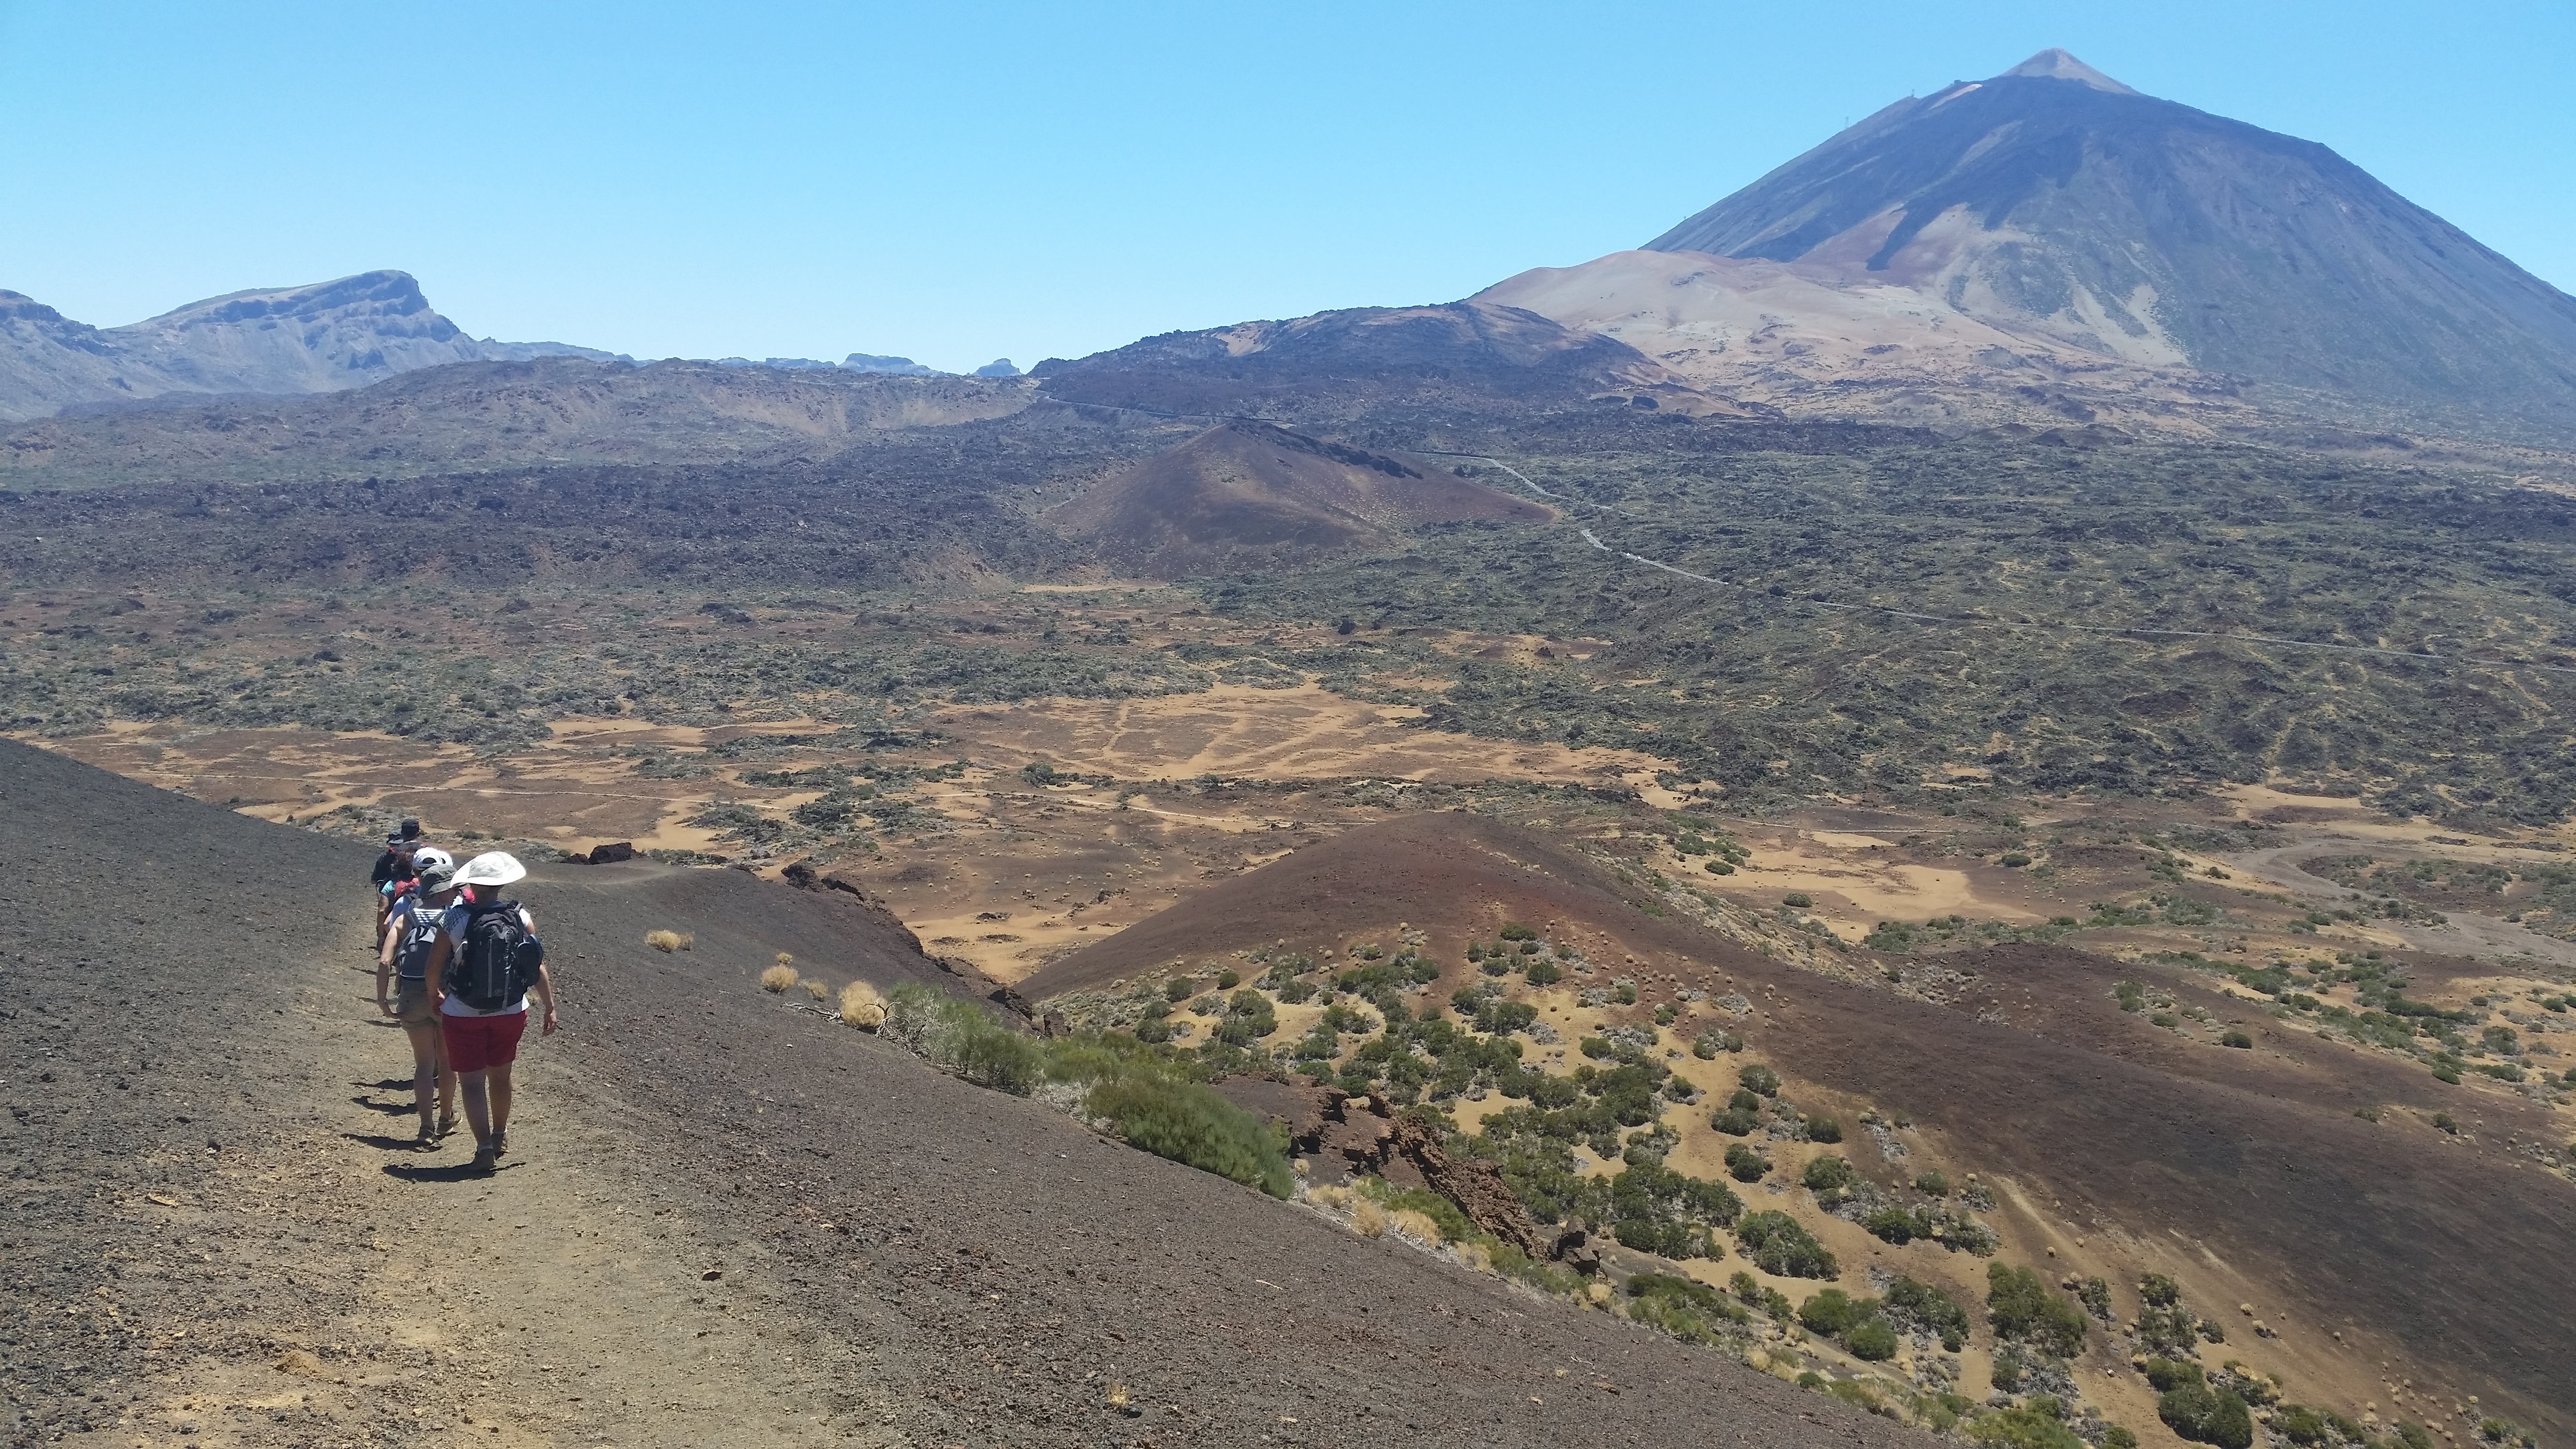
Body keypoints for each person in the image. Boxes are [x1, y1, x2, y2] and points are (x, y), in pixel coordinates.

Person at [425, 852, 558, 1173]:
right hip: (511, 1009)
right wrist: (550, 1007)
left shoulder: (455, 918)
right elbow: (535, 964)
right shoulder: (520, 916)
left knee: (471, 1083)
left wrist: (435, 994)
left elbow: (434, 966)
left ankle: (483, 1146)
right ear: (501, 884)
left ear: (472, 883)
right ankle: (500, 1135)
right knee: (501, 1076)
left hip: (463, 1011)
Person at [376, 849, 459, 1146]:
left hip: (410, 995)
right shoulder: (453, 919)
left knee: (423, 1064)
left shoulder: (405, 917)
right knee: (448, 1062)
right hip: (445, 996)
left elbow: (385, 961)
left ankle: (425, 1128)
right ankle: (446, 1117)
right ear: (447, 890)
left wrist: (383, 1000)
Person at [369, 818, 424, 949]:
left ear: (402, 832)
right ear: (418, 832)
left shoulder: (393, 852)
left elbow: (378, 875)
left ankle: (382, 938)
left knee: (382, 910)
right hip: (421, 885)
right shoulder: (425, 851)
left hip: (395, 885)